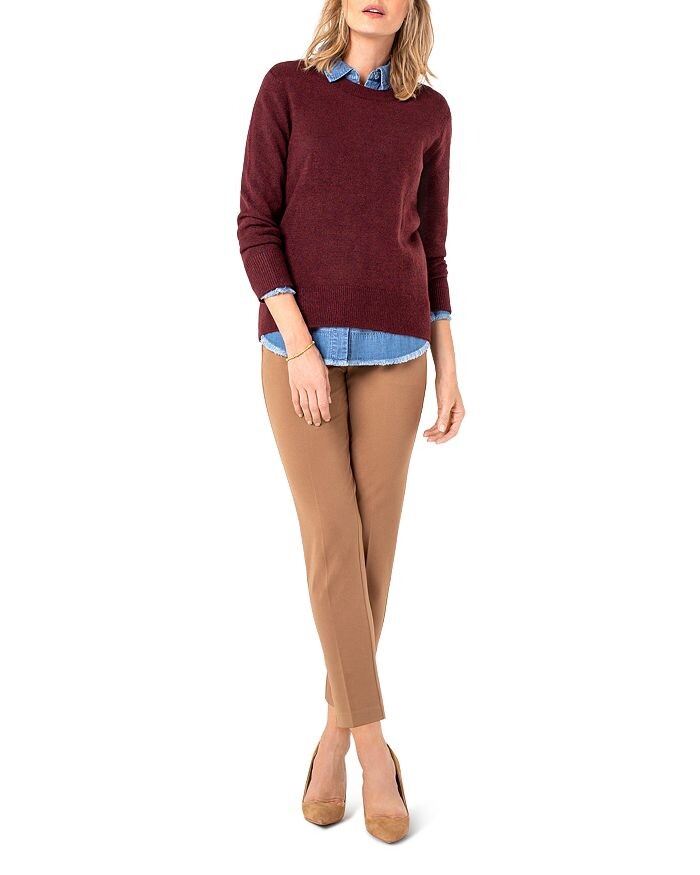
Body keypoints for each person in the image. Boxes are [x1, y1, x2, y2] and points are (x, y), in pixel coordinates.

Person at [237, 0, 465, 843]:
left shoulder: (430, 113)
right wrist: (298, 345)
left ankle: (332, 733)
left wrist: (450, 364)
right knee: (334, 538)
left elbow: (434, 250)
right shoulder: (287, 89)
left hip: (399, 355)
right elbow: (255, 224)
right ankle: (373, 749)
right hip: (296, 351)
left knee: (372, 552)